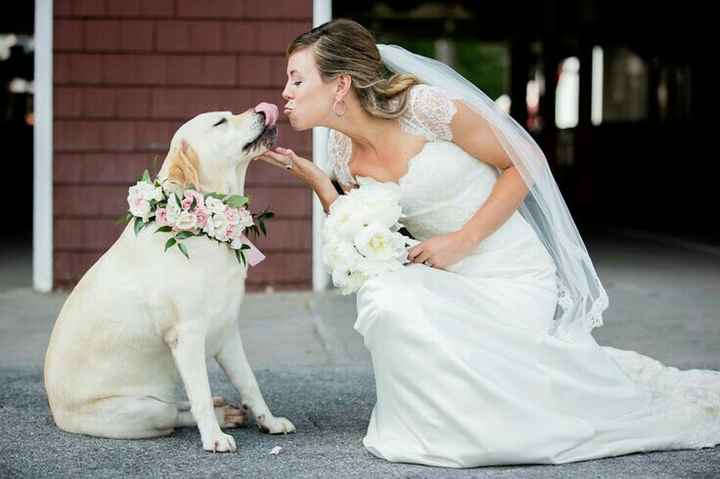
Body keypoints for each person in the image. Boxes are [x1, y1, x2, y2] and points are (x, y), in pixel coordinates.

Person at [256, 18, 720, 467]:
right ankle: (434, 426)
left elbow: (526, 161)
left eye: (297, 79)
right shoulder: (339, 152)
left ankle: (493, 423)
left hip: (510, 273)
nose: (286, 92)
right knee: (384, 294)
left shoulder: (425, 108)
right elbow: (361, 236)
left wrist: (463, 239)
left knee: (518, 386)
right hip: (446, 280)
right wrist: (318, 181)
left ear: (339, 85)